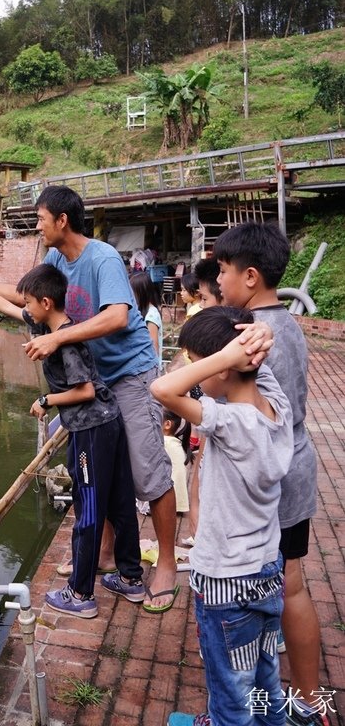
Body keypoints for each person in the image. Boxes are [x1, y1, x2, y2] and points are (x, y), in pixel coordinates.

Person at [0, 184, 180, 612]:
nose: (37, 227)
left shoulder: (102, 257)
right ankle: (106, 556)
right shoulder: (54, 260)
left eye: (39, 219)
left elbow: (117, 315)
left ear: (62, 220)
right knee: (109, 474)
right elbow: (25, 296)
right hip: (93, 380)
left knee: (147, 473)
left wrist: (58, 340)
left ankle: (165, 564)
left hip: (128, 374)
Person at [0, 262, 145, 618]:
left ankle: (80, 593)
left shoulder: (65, 343)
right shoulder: (48, 325)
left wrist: (45, 401)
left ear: (46, 303)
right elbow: (6, 307)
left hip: (91, 429)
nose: (24, 307)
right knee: (119, 501)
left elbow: (83, 390)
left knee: (88, 509)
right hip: (108, 421)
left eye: (29, 301)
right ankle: (130, 578)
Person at [153, 306, 293, 726]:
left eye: (199, 364)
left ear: (230, 366)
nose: (194, 372)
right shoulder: (275, 407)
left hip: (226, 584)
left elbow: (163, 389)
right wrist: (253, 340)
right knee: (265, 679)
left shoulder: (231, 422)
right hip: (267, 570)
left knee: (231, 694)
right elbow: (255, 371)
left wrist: (222, 358)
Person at [214, 222, 324, 726]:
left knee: (268, 587)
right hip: (298, 462)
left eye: (222, 270)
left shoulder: (251, 334)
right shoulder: (289, 321)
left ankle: (253, 698)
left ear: (250, 276)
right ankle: (304, 699)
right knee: (291, 583)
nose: (218, 280)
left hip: (274, 477)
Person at [130, 271, 163, 369]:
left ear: (141, 292)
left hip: (149, 369)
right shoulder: (142, 311)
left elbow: (154, 348)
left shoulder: (151, 314)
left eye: (132, 293)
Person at [162, 411, 190, 514]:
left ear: (167, 424)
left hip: (168, 499)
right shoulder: (174, 441)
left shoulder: (165, 442)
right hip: (178, 500)